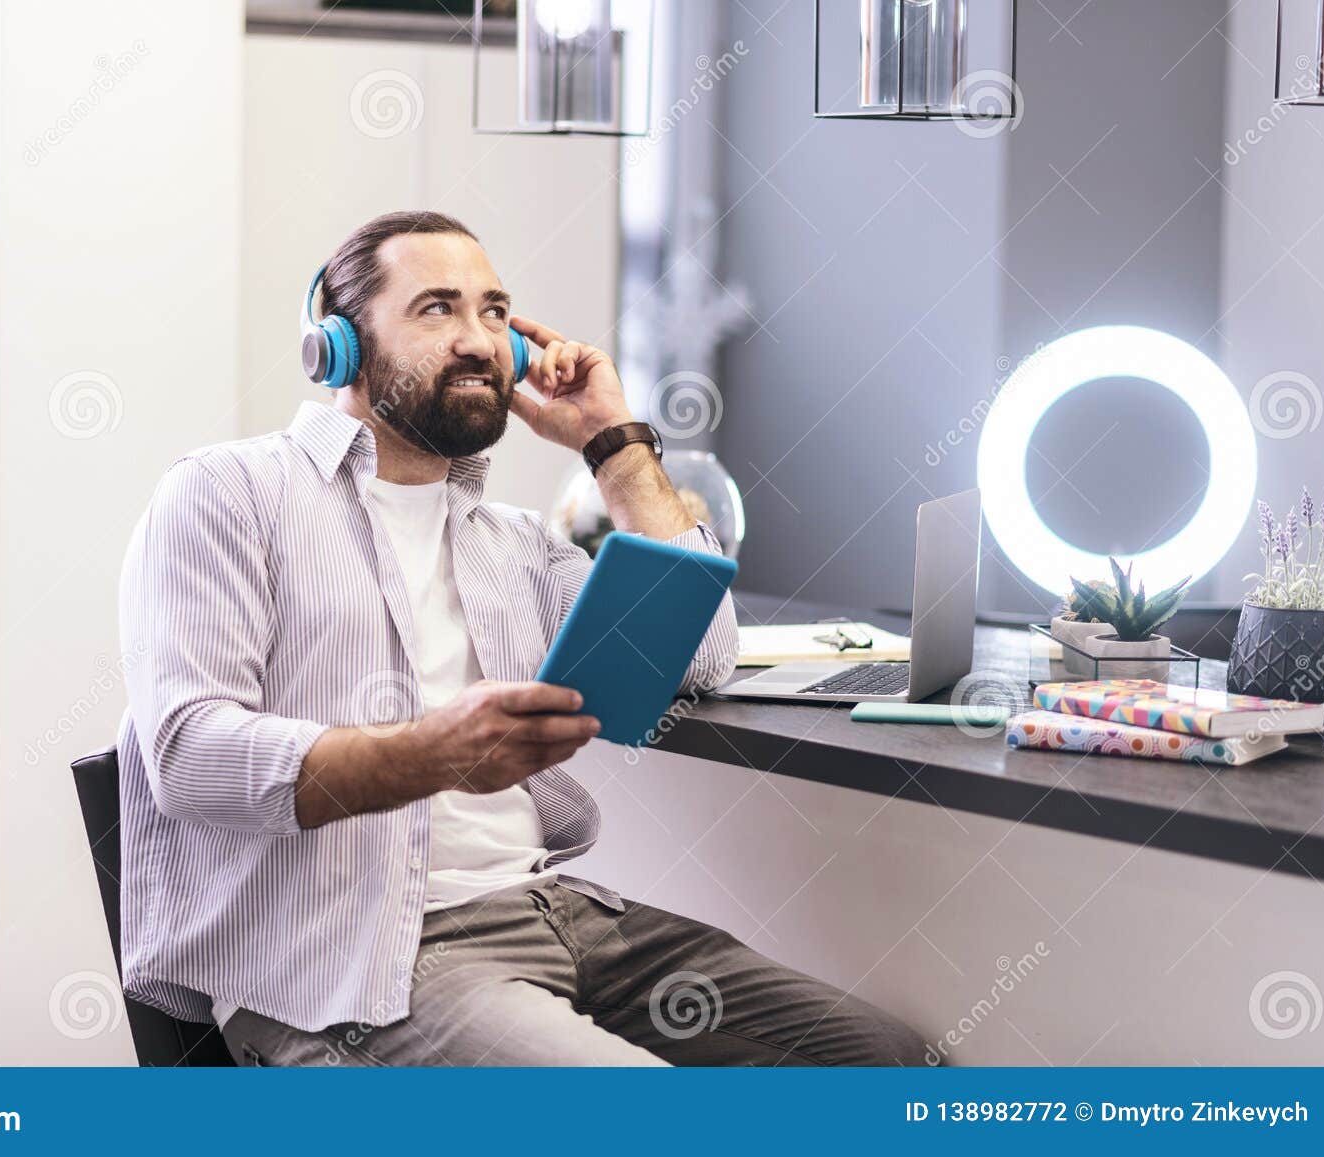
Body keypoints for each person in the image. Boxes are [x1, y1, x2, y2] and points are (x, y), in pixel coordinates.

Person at [115, 209, 926, 1066]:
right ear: (338, 347)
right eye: (437, 309)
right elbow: (189, 755)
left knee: (885, 1058)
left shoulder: (516, 541)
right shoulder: (228, 495)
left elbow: (698, 655)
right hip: (356, 971)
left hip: (560, 917)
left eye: (496, 313)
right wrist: (431, 753)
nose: (479, 340)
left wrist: (612, 444)